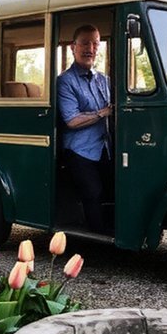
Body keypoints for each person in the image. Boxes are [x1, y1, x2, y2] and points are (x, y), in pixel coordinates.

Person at [56, 24, 113, 233]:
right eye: (85, 43)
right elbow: (71, 120)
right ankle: (96, 237)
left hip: (104, 147)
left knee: (115, 187)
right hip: (79, 150)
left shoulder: (103, 79)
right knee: (93, 192)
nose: (90, 49)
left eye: (95, 44)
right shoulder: (65, 81)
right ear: (73, 47)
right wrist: (102, 113)